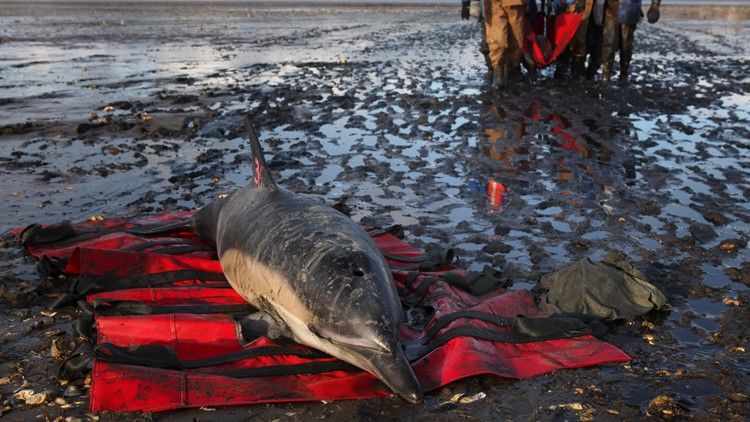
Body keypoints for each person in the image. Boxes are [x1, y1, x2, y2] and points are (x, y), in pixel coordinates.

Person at [464, 0, 529, 90]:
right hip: (493, 3)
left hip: (517, 3)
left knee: (516, 40)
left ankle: (512, 73)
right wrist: (469, 3)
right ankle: (498, 76)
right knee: (497, 40)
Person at [600, 0, 661, 85]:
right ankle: (605, 75)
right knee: (609, 43)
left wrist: (655, 5)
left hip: (629, 8)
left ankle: (624, 74)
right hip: (608, 7)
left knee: (626, 45)